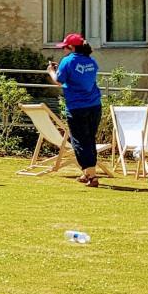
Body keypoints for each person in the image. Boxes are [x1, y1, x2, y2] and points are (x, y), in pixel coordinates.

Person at [46, 33, 102, 187]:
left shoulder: (68, 61)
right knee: (89, 139)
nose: (63, 49)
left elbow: (59, 80)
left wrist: (51, 71)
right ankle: (87, 173)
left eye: (65, 47)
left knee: (80, 141)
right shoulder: (91, 61)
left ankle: (92, 176)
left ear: (72, 47)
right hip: (95, 106)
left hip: (77, 107)